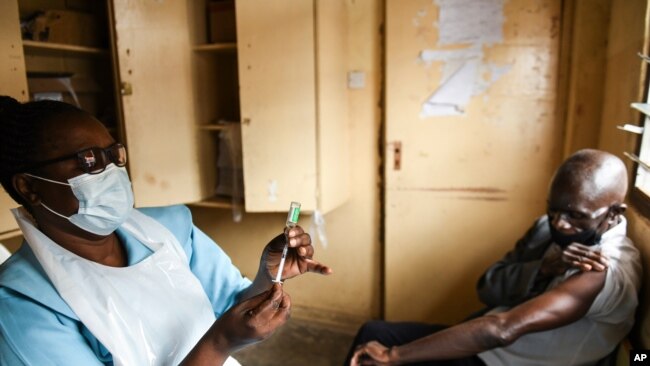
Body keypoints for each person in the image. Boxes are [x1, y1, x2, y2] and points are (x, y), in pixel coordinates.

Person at [0, 96, 333, 365]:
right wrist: (218, 344)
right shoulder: (22, 305)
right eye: (89, 161)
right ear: (29, 187)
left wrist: (267, 276)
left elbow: (230, 308)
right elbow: (224, 333)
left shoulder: (166, 228)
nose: (114, 171)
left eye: (114, 154)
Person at [348, 149, 641, 366]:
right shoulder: (545, 229)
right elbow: (487, 287)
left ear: (615, 212)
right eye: (554, 210)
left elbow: (502, 329)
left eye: (576, 216)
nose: (559, 224)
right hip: (486, 344)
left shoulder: (604, 269)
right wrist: (542, 269)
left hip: (506, 361)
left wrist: (394, 356)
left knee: (379, 356)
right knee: (372, 331)